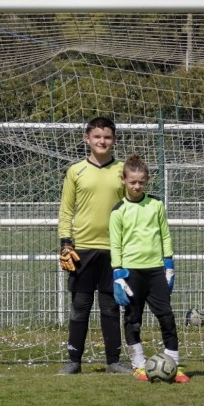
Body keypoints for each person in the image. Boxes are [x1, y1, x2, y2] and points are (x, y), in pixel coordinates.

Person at [56, 117, 132, 375]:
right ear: (86, 138)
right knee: (80, 305)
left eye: (107, 137)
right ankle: (73, 361)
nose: (102, 141)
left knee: (110, 307)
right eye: (97, 136)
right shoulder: (75, 171)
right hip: (83, 248)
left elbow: (131, 209)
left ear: (114, 140)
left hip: (115, 249)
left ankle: (113, 361)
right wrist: (65, 242)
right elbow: (66, 210)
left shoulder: (123, 171)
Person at [107, 155, 187, 383]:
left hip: (155, 271)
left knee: (167, 317)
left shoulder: (156, 204)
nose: (136, 186)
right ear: (123, 180)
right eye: (132, 182)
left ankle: (173, 364)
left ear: (147, 180)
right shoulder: (118, 211)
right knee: (133, 319)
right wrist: (118, 273)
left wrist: (169, 264)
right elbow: (115, 243)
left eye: (141, 182)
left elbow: (165, 235)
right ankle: (139, 365)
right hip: (131, 273)